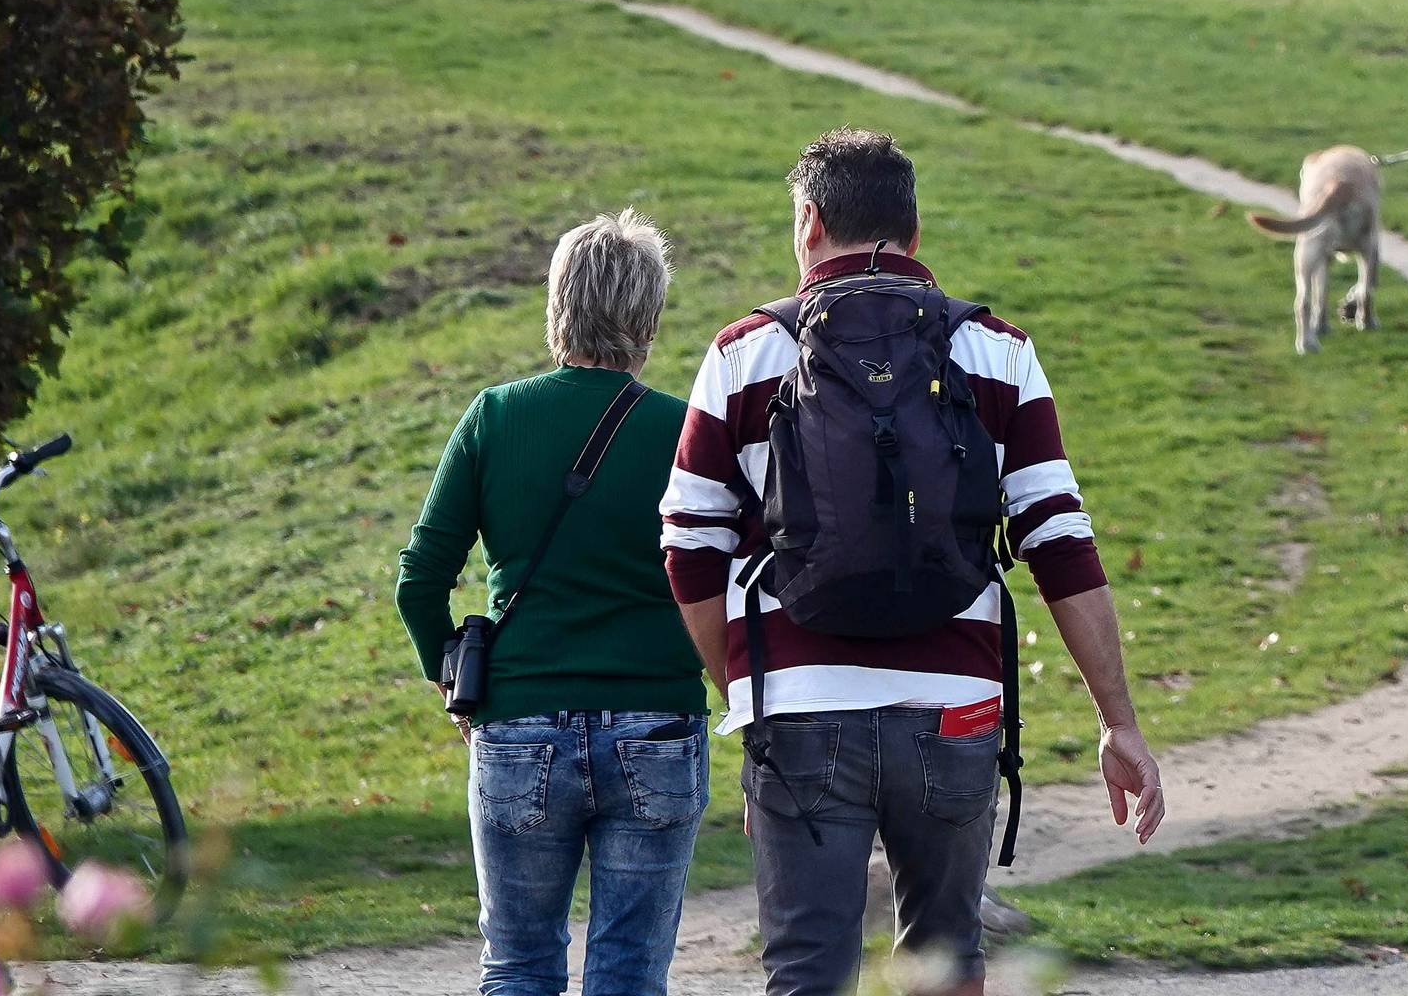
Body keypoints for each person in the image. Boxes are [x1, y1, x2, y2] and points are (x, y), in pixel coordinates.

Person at [659, 129, 1165, 996]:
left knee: (808, 971)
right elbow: (1059, 540)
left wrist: (748, 697)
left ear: (809, 222)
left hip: (800, 714)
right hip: (957, 714)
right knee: (946, 964)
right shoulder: (1000, 351)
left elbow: (688, 544)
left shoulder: (743, 354)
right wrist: (1118, 721)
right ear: (916, 233)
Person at [395, 210, 710, 996]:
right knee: (630, 970)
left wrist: (452, 676)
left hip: (520, 722)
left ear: (556, 306)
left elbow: (419, 580)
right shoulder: (685, 432)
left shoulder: (496, 418)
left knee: (518, 965)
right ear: (649, 315)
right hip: (657, 724)